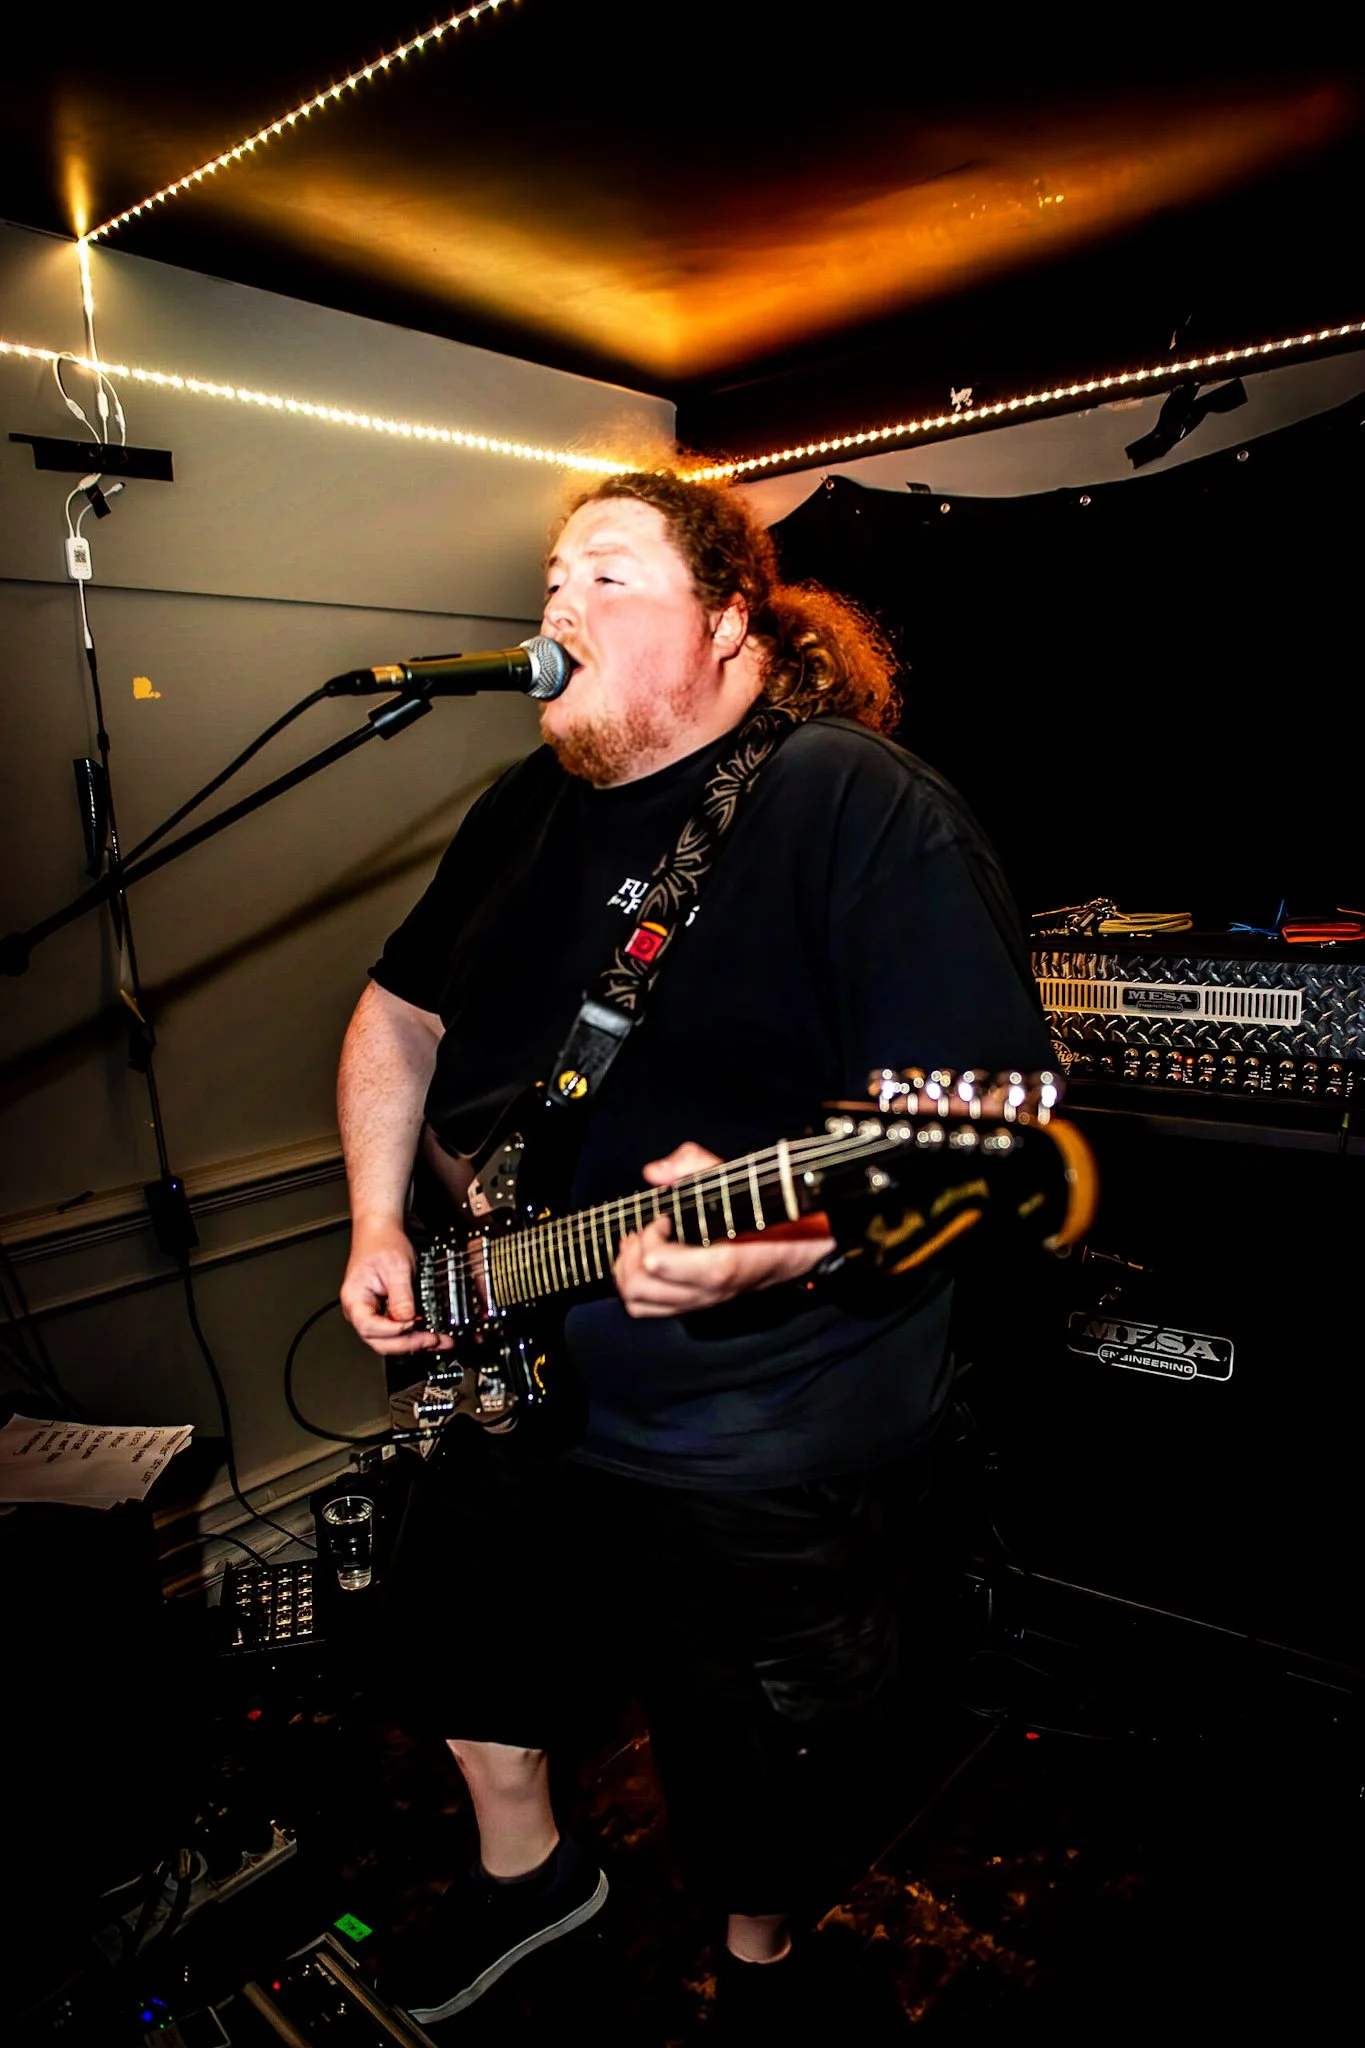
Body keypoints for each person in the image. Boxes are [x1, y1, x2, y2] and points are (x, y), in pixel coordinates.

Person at [336, 469, 1051, 2033]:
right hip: (506, 1347)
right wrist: (382, 1217)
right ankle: (531, 1882)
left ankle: (761, 1962)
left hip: (761, 1406)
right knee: (462, 1642)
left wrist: (778, 1242)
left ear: (732, 623)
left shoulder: (852, 804)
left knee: (758, 1751)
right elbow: (398, 1013)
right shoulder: (520, 810)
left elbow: (989, 1130)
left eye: (607, 573)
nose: (558, 604)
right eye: (550, 578)